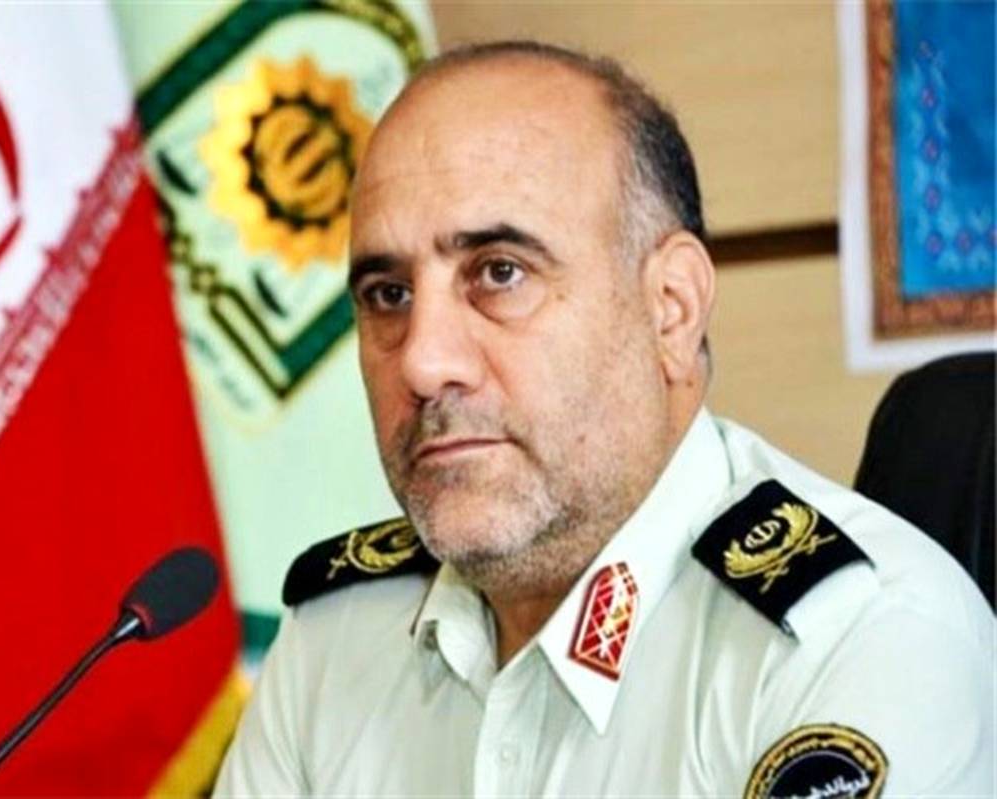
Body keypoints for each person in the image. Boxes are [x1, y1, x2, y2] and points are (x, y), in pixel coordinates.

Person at [213, 42, 994, 797]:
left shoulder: (859, 643)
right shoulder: (334, 637)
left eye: (500, 273)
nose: (423, 361)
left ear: (671, 307)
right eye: (388, 294)